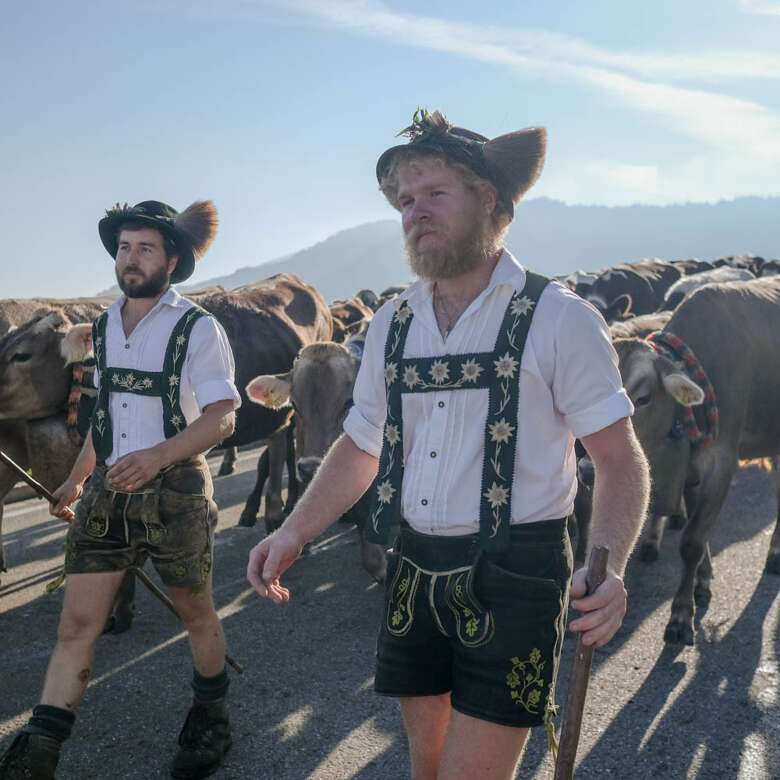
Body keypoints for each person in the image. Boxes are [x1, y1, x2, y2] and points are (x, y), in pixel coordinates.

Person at [247, 109, 650, 779]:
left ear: (489, 199)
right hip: (414, 564)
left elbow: (619, 461)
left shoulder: (559, 318)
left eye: (435, 194)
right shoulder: (392, 325)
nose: (415, 212)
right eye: (406, 200)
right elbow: (360, 445)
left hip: (519, 571)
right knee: (425, 769)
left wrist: (611, 570)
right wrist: (293, 532)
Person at [0, 200, 241, 780]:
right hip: (107, 495)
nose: (130, 260)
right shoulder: (104, 327)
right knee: (76, 624)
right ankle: (40, 749)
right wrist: (74, 481)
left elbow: (223, 417)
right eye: (124, 248)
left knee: (195, 612)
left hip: (177, 491)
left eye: (145, 248)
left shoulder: (197, 327)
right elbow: (105, 418)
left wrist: (159, 454)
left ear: (171, 259)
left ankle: (211, 714)